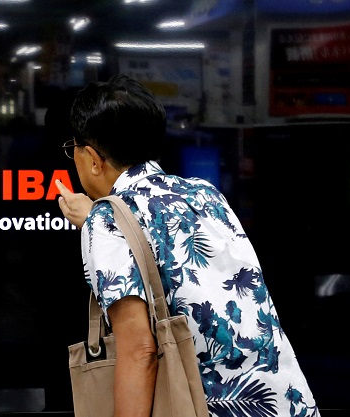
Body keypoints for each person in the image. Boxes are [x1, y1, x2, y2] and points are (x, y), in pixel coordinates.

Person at [55, 74, 319, 416]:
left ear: (93, 159)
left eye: (73, 148)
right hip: (286, 401)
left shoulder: (105, 222)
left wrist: (97, 221)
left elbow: (140, 351)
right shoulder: (204, 194)